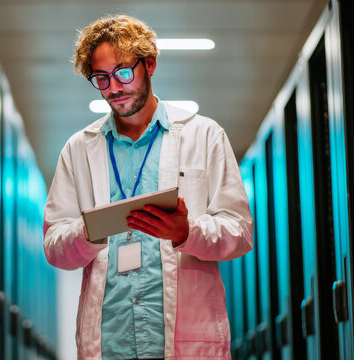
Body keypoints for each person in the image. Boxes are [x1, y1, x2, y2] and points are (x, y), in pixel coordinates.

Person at [43, 15, 253, 360]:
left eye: (124, 72)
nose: (114, 87)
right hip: (109, 343)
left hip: (184, 342)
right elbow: (54, 246)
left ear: (150, 64)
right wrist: (88, 231)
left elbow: (240, 232)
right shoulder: (79, 148)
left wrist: (188, 232)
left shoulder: (204, 135)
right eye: (101, 78)